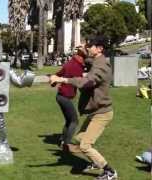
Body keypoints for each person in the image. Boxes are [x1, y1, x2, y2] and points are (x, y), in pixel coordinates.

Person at [50, 36, 118, 180]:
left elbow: (87, 81)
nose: (88, 48)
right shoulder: (97, 60)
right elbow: (87, 60)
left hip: (102, 113)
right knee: (78, 140)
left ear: (100, 48)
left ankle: (109, 172)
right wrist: (83, 51)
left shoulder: (101, 66)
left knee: (85, 145)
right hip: (95, 112)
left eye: (91, 46)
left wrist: (63, 79)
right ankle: (95, 162)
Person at [54, 47, 86, 150]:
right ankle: (66, 144)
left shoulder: (70, 63)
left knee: (69, 120)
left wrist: (54, 80)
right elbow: (79, 82)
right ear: (81, 57)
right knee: (74, 121)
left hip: (60, 96)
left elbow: (59, 74)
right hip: (65, 97)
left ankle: (62, 140)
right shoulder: (77, 67)